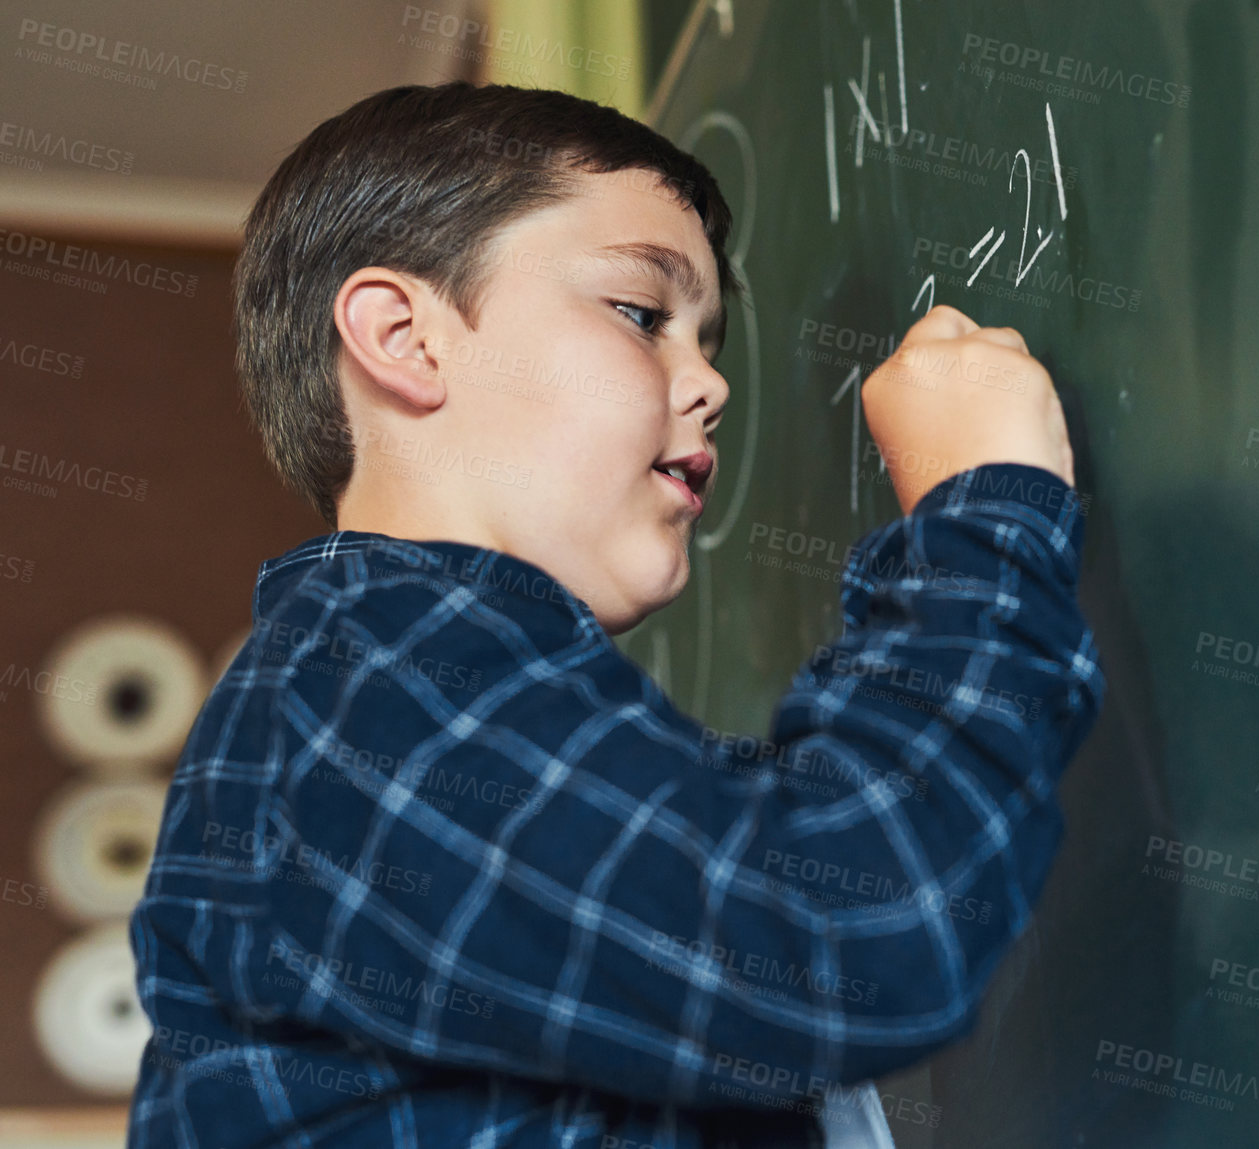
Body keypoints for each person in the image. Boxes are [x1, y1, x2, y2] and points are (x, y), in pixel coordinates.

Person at [127, 81, 1103, 1148]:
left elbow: (794, 868)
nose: (710, 385)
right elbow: (852, 934)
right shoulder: (369, 687)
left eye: (711, 342)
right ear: (402, 336)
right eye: (642, 314)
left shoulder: (392, 699)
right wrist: (984, 508)